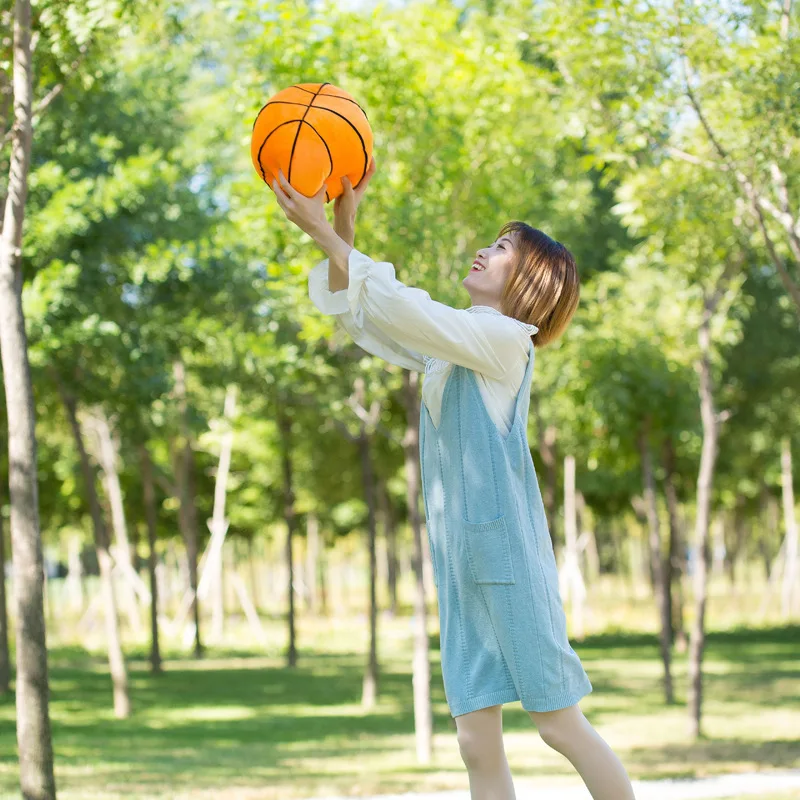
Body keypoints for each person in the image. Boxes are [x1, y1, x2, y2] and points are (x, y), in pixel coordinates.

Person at [271, 161, 636, 800]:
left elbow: (404, 306)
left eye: (500, 249)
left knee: (558, 724)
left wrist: (327, 238)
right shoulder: (453, 348)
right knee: (475, 744)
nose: (482, 250)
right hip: (461, 566)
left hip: (510, 564)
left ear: (528, 283)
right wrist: (342, 228)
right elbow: (371, 318)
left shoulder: (504, 342)